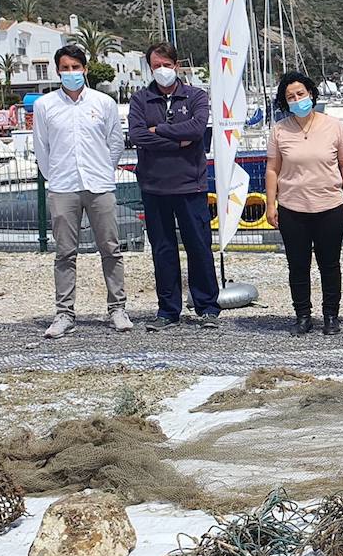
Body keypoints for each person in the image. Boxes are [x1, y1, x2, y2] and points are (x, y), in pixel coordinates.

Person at [32, 43, 127, 339]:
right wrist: (56, 177)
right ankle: (64, 314)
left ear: (84, 69)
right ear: (58, 71)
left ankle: (117, 308)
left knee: (110, 248)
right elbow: (41, 148)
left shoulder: (104, 103)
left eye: (75, 67)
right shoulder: (44, 106)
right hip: (63, 187)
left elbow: (115, 143)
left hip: (99, 185)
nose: (70, 73)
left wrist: (103, 169)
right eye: (65, 68)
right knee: (64, 253)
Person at [126, 42, 220, 331]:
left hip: (191, 186)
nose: (162, 70)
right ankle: (168, 310)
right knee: (163, 249)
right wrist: (177, 139)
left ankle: (207, 306)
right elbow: (138, 136)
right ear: (150, 68)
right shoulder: (140, 100)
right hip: (154, 187)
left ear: (177, 65)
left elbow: (197, 130)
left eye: (167, 64)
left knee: (199, 246)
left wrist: (161, 131)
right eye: (156, 65)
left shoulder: (196, 96)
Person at [266, 71, 343, 334]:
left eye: (300, 94)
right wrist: (271, 204)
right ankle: (302, 315)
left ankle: (331, 315)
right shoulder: (279, 130)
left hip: (330, 206)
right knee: (297, 265)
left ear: (311, 94)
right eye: (290, 97)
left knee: (330, 264)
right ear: (285, 102)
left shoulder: (334, 126)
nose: (297, 99)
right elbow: (272, 169)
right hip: (292, 208)